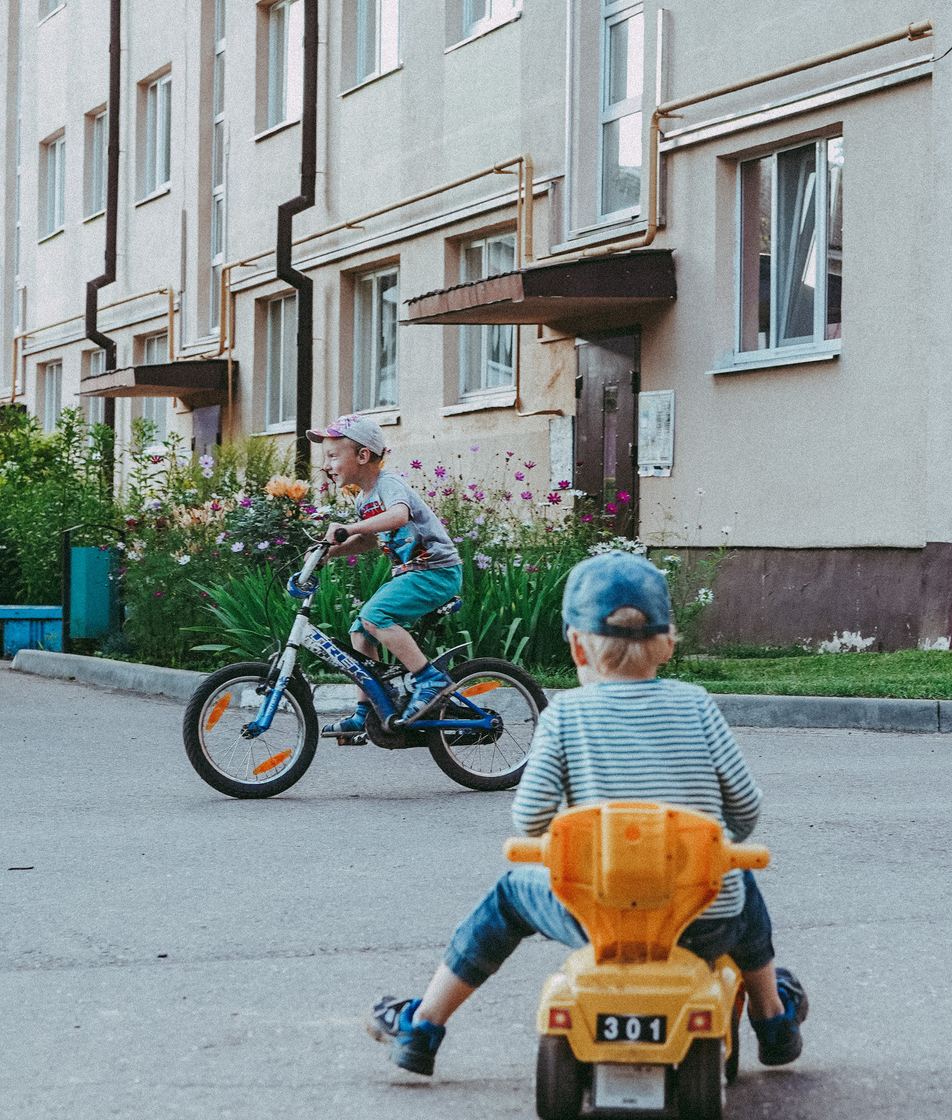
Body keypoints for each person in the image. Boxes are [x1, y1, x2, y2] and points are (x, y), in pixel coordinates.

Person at [367, 550, 806, 1077]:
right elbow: (747, 810)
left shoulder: (565, 716)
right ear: (668, 643)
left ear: (576, 645)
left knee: (507, 899)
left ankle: (423, 1027)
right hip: (702, 923)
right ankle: (773, 1020)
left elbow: (528, 821)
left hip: (598, 919)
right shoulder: (697, 705)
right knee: (738, 884)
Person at [310, 413, 463, 732]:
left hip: (436, 570)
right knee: (360, 631)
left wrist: (348, 528)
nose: (327, 465)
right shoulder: (364, 500)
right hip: (412, 574)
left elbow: (397, 516)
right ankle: (369, 708)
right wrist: (328, 551)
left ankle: (430, 680)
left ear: (363, 455)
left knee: (375, 616)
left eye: (333, 455)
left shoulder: (389, 484)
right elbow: (365, 541)